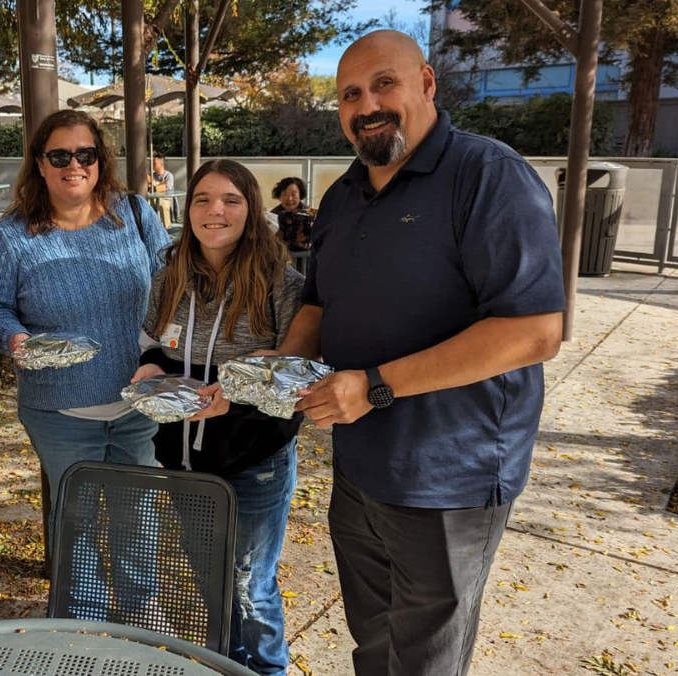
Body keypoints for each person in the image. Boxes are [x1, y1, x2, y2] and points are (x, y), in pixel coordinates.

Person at [274, 30, 565, 676]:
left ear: (427, 84)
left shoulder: (488, 176)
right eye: (350, 94)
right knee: (372, 642)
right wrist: (272, 371)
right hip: (357, 469)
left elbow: (535, 330)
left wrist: (374, 385)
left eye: (385, 84)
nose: (366, 104)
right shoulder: (345, 196)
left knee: (426, 661)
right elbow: (319, 306)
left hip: (448, 479)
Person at [131, 160, 304, 676]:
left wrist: (239, 395)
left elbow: (298, 378)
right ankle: (227, 665)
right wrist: (147, 368)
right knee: (211, 575)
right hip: (184, 460)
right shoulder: (170, 275)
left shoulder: (281, 281)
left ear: (250, 209)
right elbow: (153, 346)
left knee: (250, 582)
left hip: (254, 458)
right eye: (203, 199)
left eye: (230, 199)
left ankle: (269, 670)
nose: (215, 210)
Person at [0, 108, 170, 538]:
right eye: (60, 156)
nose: (75, 165)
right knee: (75, 529)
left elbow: (171, 281)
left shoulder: (136, 213)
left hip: (137, 402)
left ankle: (137, 607)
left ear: (101, 160)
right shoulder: (13, 235)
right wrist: (16, 339)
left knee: (137, 526)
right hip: (59, 412)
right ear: (40, 165)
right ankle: (77, 609)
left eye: (86, 153)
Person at [269, 177, 312, 253]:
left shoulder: (309, 214)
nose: (289, 199)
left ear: (300, 195)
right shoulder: (273, 214)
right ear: (279, 196)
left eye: (293, 194)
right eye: (285, 194)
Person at [150, 152, 178, 225]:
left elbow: (167, 190)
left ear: (161, 164)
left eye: (154, 163)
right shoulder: (151, 176)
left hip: (166, 199)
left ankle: (167, 228)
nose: (152, 165)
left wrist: (155, 184)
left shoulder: (168, 176)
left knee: (163, 205)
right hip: (153, 199)